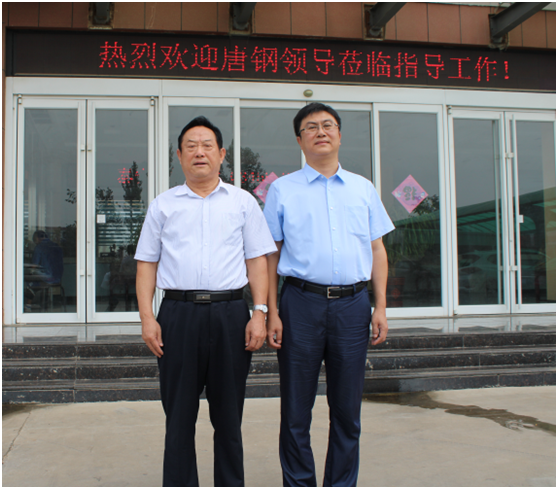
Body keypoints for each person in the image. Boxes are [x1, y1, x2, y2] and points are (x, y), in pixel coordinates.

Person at [135, 116, 276, 487]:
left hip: (230, 315)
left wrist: (259, 312)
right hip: (177, 315)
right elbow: (146, 264)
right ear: (179, 155)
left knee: (229, 418)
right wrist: (147, 317)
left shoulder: (242, 203)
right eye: (191, 146)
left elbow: (257, 261)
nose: (200, 152)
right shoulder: (163, 205)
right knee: (179, 418)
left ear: (222, 154)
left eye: (207, 145)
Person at [264, 103, 395, 487]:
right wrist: (271, 311)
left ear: (339, 134)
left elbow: (377, 249)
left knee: (347, 410)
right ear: (299, 139)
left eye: (328, 125)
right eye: (311, 127)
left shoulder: (362, 188)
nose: (320, 132)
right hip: (300, 304)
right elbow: (270, 255)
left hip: (353, 306)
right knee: (295, 410)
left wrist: (380, 306)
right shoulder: (283, 190)